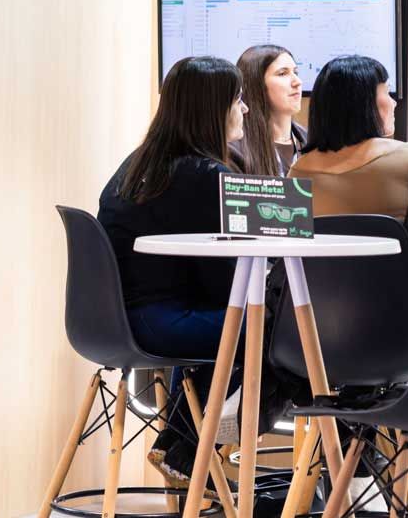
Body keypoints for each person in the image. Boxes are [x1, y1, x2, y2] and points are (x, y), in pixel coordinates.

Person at [97, 55, 247, 485]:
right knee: (270, 334)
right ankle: (189, 451)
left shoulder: (138, 164)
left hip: (114, 322)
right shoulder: (205, 176)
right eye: (237, 100)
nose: (244, 109)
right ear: (213, 109)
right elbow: (225, 285)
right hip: (158, 323)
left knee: (238, 328)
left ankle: (184, 450)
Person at [290, 55, 408, 300]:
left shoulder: (298, 171)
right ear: (366, 103)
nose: (394, 102)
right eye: (387, 92)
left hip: (313, 314)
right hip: (398, 310)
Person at [230, 44, 308, 176]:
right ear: (256, 84)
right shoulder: (234, 149)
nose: (297, 82)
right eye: (282, 73)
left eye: (295, 72)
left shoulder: (311, 141)